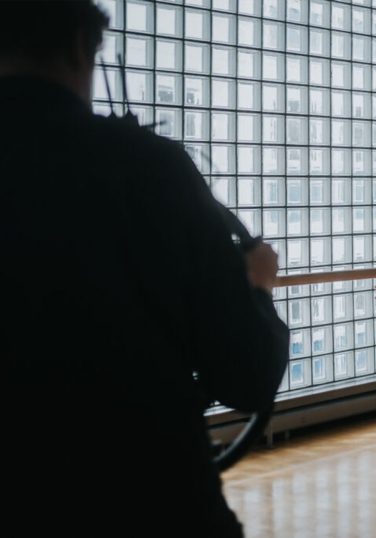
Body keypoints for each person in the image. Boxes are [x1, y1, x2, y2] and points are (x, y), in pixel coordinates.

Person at [0, 2, 288, 536]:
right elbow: (247, 375)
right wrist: (255, 286)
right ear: (81, 43)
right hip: (151, 499)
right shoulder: (146, 167)